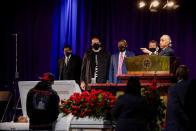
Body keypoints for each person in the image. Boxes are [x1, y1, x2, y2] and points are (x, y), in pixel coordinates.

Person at [166, 65, 190, 131]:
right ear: (188, 75)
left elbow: (175, 109)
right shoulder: (191, 86)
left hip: (175, 126)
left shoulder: (172, 89)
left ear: (177, 75)